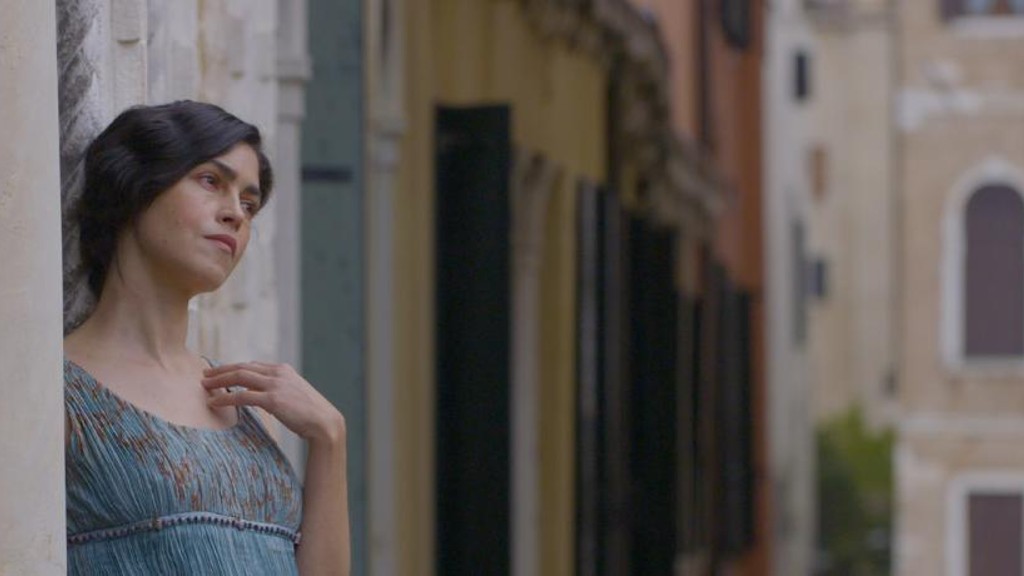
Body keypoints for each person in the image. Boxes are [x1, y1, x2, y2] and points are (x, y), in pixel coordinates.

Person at [62, 100, 350, 575]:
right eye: (211, 181)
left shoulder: (249, 404)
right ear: (135, 187)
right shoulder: (54, 394)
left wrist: (329, 439)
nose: (236, 213)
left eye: (249, 203)